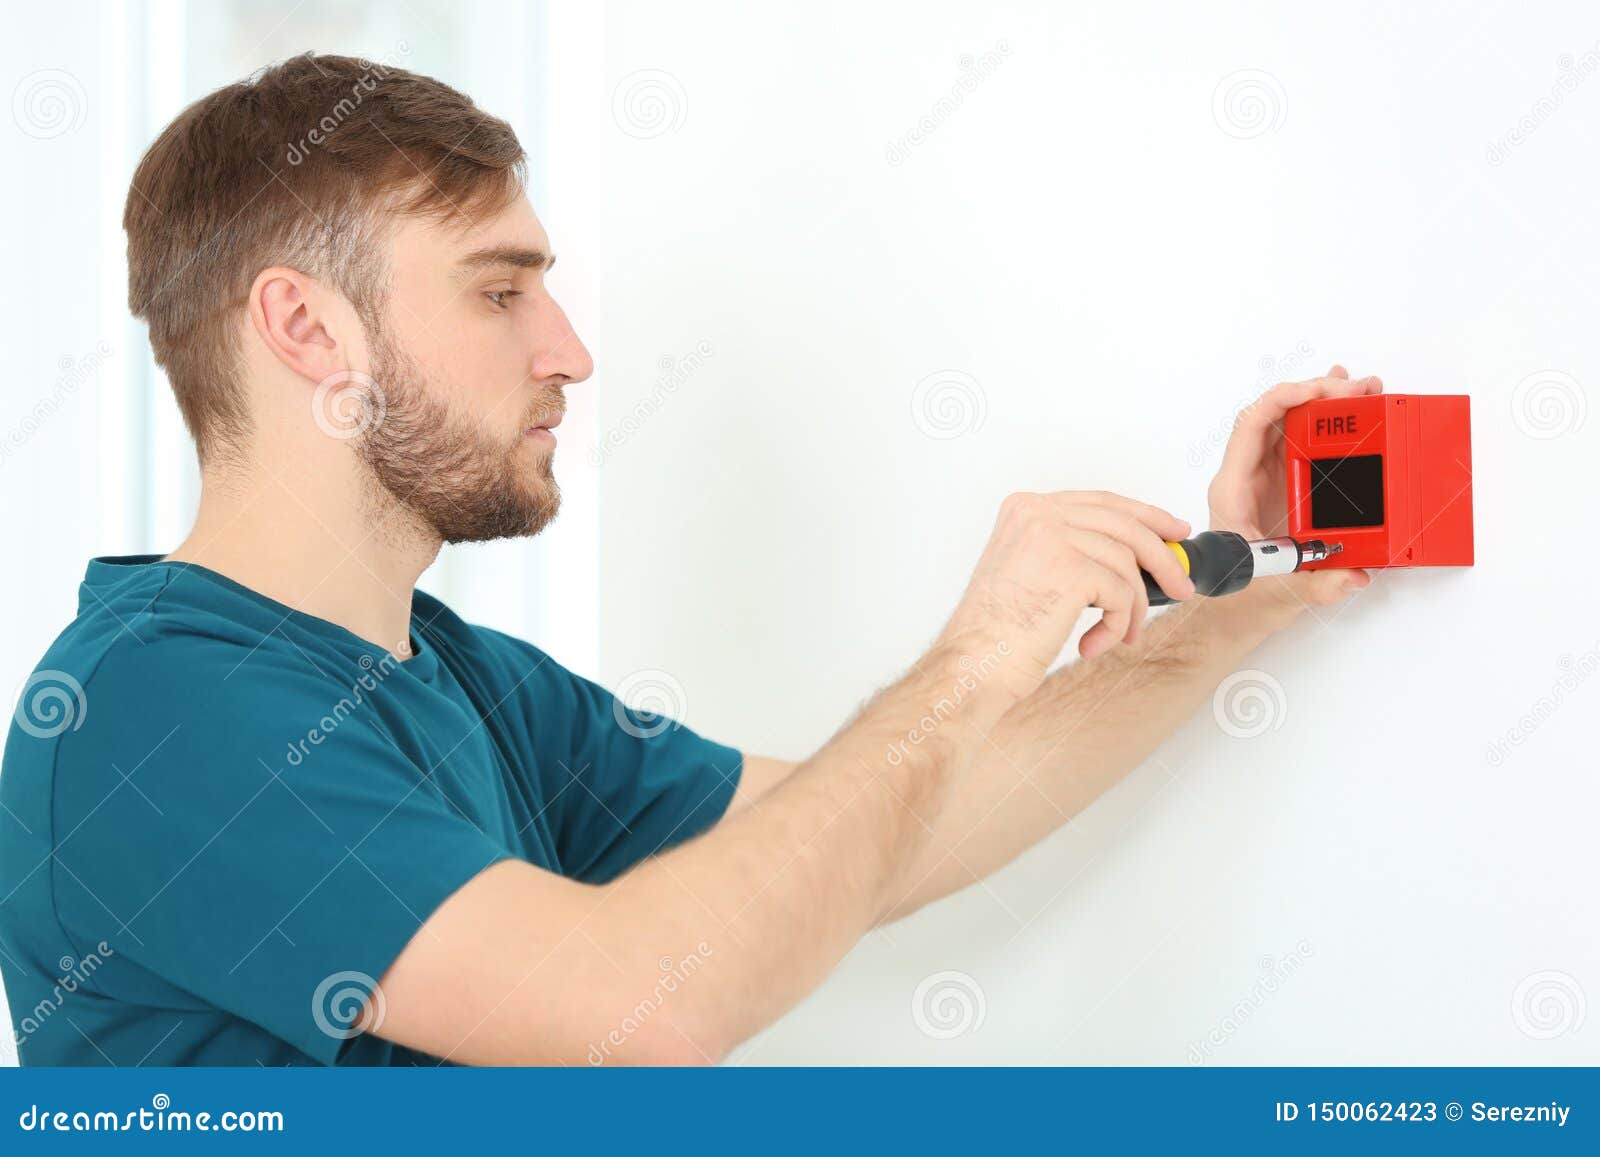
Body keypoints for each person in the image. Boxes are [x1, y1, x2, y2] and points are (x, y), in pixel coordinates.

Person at [0, 54, 1377, 1066]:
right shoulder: (154, 708)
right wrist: (968, 660)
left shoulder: (471, 683)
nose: (569, 352)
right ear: (307, 330)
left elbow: (902, 833)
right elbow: (636, 1007)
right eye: (499, 290)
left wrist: (1236, 603)